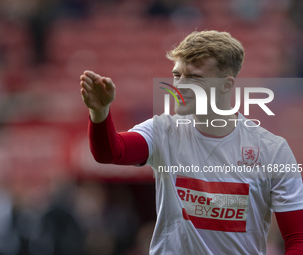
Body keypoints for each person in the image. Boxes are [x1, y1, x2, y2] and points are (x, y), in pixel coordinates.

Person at [79, 30, 303, 254]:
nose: (179, 85)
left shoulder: (272, 150)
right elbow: (111, 152)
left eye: (194, 77)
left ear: (226, 85)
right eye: (177, 75)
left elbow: (297, 239)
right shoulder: (163, 130)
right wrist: (99, 112)